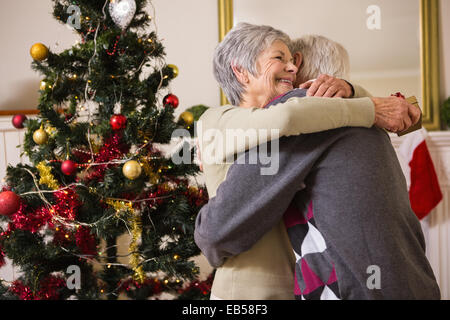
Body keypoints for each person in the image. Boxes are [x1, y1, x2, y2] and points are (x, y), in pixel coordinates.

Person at [194, 23, 424, 300]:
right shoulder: (350, 121)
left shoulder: (318, 121)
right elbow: (287, 117)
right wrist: (370, 103)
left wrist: (361, 98)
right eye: (281, 58)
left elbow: (215, 233)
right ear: (240, 71)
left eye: (293, 60)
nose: (291, 68)